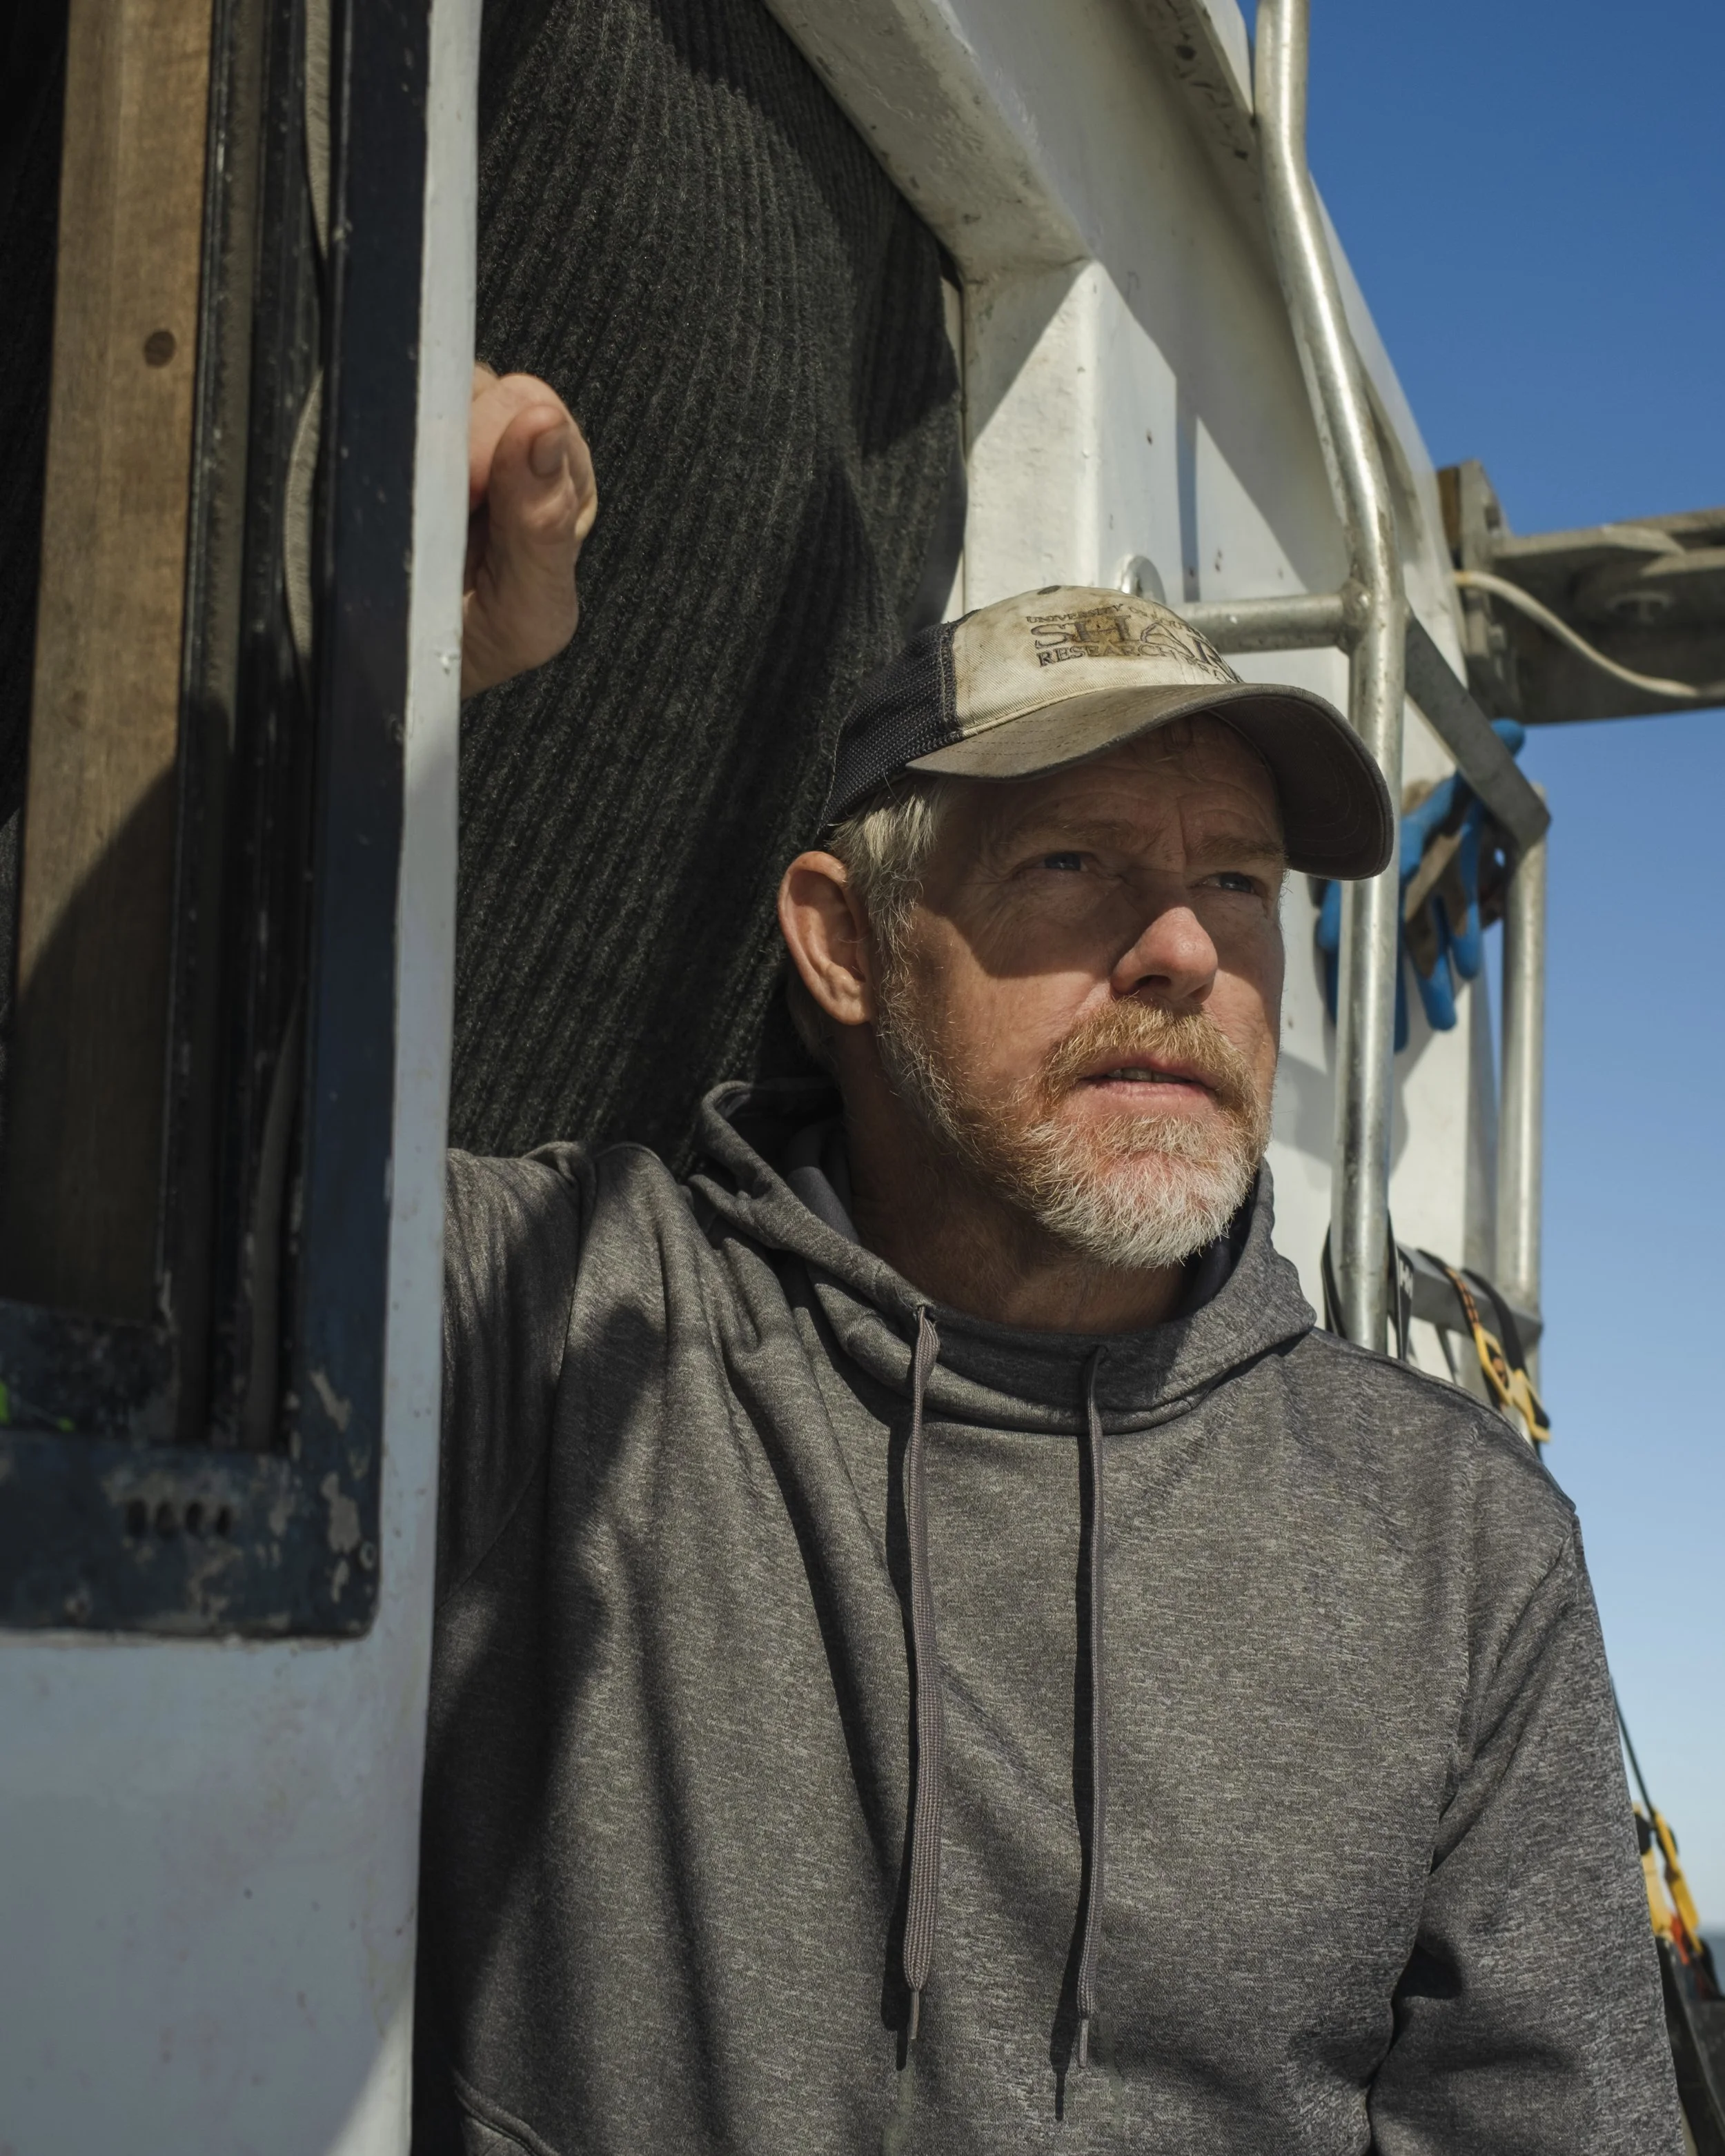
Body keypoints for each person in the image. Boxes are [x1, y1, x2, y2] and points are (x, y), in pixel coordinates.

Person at [415, 375, 1684, 2153]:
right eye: (1073, 861)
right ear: (844, 945)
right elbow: (156, 1175)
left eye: (1240, 884)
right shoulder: (572, 1333)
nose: (1180, 948)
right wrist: (398, 673)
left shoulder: (1463, 1545)